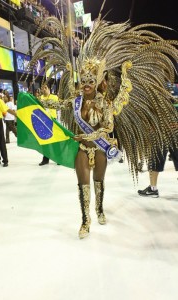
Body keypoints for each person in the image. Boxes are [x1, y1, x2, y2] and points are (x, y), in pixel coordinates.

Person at [22, 15, 178, 239]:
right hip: (82, 150)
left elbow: (107, 127)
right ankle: (85, 220)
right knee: (82, 184)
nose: (85, 85)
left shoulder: (104, 103)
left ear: (96, 83)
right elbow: (60, 103)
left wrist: (95, 134)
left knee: (98, 182)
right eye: (83, 81)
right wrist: (38, 102)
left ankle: (99, 209)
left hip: (101, 148)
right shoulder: (75, 101)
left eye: (90, 81)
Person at [39, 84, 59, 166]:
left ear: (49, 89)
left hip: (52, 120)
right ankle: (45, 159)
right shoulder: (40, 98)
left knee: (55, 140)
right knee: (45, 140)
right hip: (43, 121)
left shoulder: (54, 97)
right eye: (42, 88)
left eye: (45, 88)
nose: (44, 89)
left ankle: (58, 158)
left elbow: (57, 106)